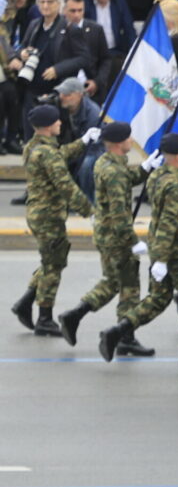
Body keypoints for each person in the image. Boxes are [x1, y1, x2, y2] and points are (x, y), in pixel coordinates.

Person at [96, 133, 178, 374]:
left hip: (160, 247)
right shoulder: (176, 184)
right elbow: (170, 221)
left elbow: (174, 195)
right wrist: (163, 260)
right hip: (176, 253)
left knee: (157, 299)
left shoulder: (159, 175)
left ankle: (117, 331)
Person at [57, 121, 160, 355]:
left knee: (114, 282)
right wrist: (133, 242)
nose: (131, 141)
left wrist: (144, 168)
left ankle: (75, 316)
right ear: (117, 143)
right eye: (128, 138)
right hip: (116, 236)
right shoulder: (112, 170)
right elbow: (119, 212)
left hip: (106, 233)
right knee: (129, 286)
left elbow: (125, 181)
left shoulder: (108, 162)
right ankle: (125, 337)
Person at [10, 104, 95, 336]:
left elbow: (60, 155)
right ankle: (44, 318)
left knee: (53, 261)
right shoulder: (46, 153)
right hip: (48, 217)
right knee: (53, 266)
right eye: (57, 121)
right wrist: (91, 212)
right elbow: (66, 186)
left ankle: (25, 303)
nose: (60, 123)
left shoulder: (35, 146)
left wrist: (83, 141)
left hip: (40, 213)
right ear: (48, 127)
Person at [8, 0, 90, 138]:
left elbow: (84, 58)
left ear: (59, 4)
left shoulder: (70, 28)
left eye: (50, 2)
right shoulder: (34, 25)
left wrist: (58, 69)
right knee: (30, 137)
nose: (45, 6)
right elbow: (22, 47)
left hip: (55, 92)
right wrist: (22, 53)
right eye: (42, 2)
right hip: (32, 90)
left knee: (52, 140)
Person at [85, 0, 136, 89]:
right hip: (92, 54)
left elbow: (129, 29)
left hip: (115, 52)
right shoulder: (85, 4)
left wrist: (133, 53)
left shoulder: (119, 2)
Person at [54, 76, 102, 199]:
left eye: (67, 94)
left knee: (85, 164)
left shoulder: (93, 113)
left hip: (94, 150)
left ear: (79, 95)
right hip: (77, 146)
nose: (62, 97)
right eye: (61, 93)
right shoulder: (62, 107)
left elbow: (92, 147)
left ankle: (88, 200)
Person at [63, 0, 112, 102]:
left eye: (80, 10)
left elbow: (105, 59)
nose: (77, 15)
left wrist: (97, 82)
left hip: (91, 89)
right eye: (73, 11)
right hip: (65, 88)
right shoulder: (59, 30)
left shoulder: (96, 29)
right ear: (64, 10)